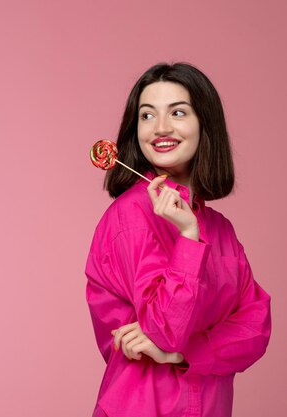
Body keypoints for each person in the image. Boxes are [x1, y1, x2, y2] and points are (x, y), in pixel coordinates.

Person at [85, 62, 271, 417]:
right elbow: (165, 328)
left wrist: (186, 354)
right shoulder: (131, 215)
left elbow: (255, 329)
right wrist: (188, 238)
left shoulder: (221, 229)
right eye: (147, 116)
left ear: (205, 124)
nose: (161, 128)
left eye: (178, 112)